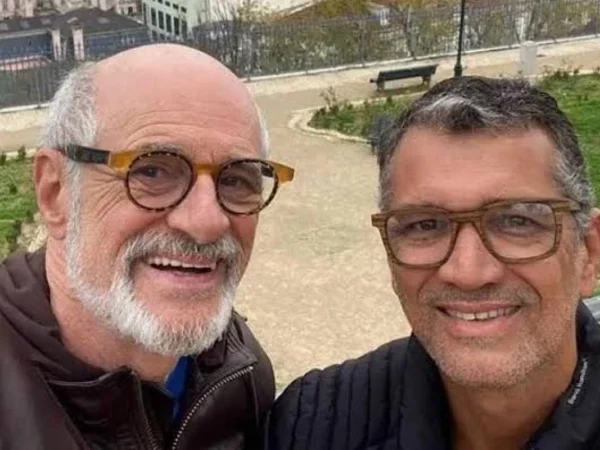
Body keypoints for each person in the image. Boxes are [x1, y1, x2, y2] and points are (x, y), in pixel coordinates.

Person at [266, 76, 600, 450]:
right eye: (425, 225)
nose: (468, 273)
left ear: (589, 252)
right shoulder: (309, 426)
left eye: (516, 221)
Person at [0, 43, 295, 449]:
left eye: (234, 180)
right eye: (152, 171)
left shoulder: (239, 371)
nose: (206, 223)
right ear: (55, 192)